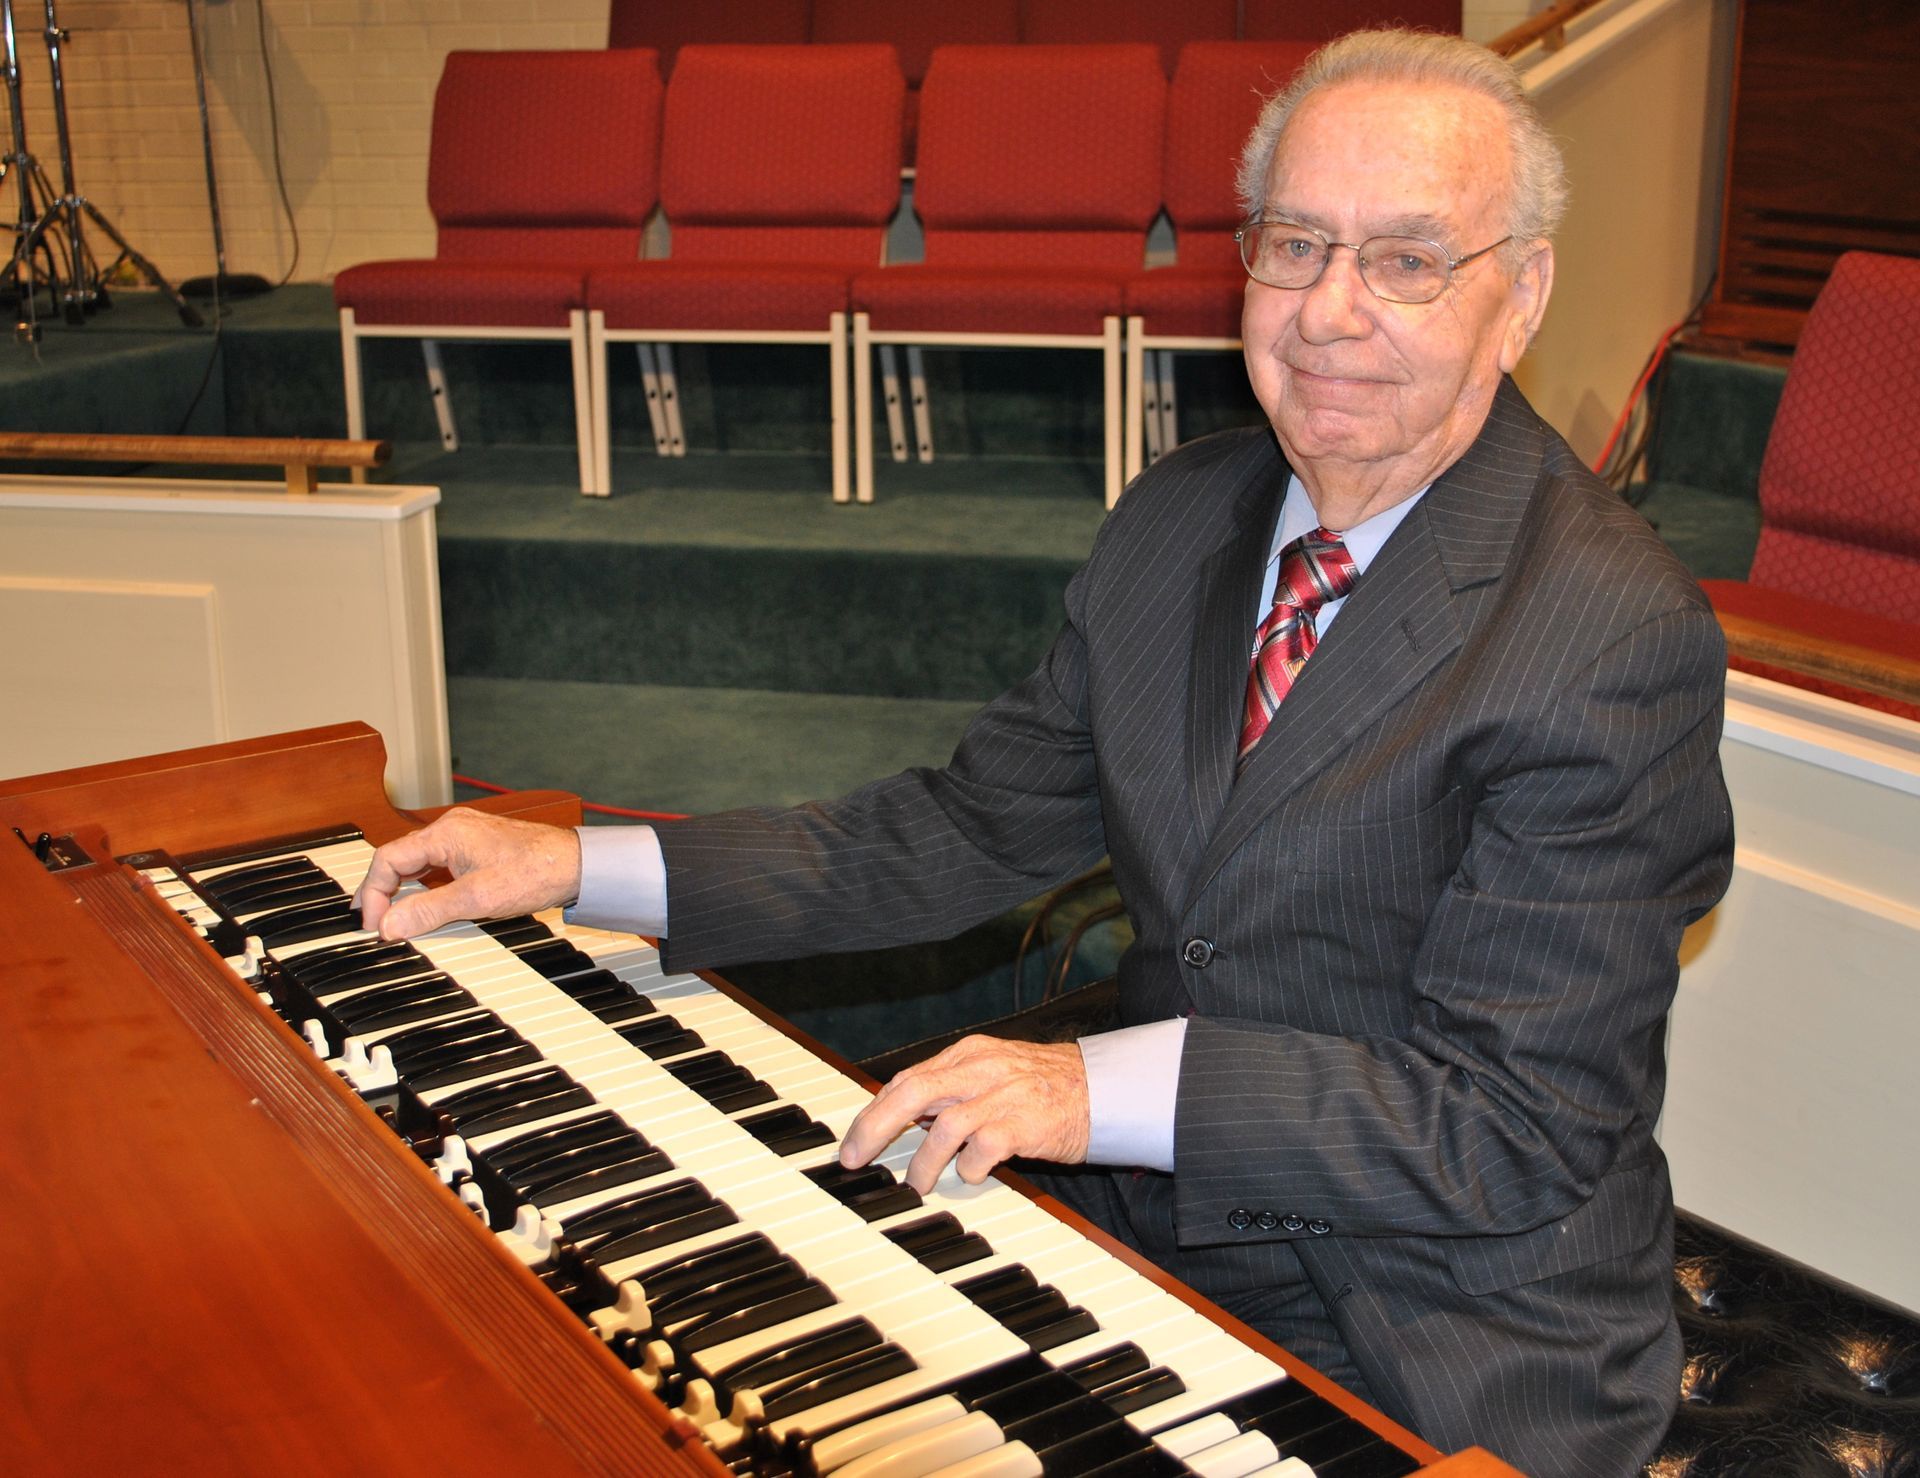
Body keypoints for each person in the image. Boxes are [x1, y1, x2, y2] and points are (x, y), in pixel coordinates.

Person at [357, 29, 1733, 1476]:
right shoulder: (1182, 516)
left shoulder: (1607, 631)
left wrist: (1084, 1092)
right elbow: (951, 832)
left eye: (1405, 262)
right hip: (1162, 1230)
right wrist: (578, 861)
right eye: (1296, 244)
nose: (1330, 311)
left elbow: (1508, 1120)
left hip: (1444, 1326)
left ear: (1519, 297)